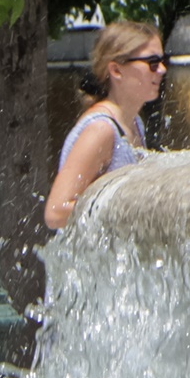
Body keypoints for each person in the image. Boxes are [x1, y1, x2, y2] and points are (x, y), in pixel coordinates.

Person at [44, 21, 165, 229]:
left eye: (162, 61)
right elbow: (55, 212)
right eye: (152, 62)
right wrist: (130, 207)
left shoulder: (135, 123)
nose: (162, 70)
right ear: (116, 70)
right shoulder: (102, 130)